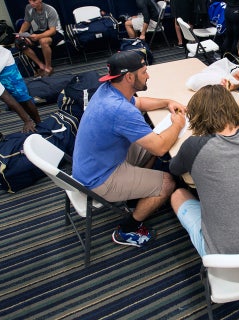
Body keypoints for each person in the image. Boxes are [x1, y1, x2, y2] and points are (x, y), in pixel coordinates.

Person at [72, 50, 186, 248]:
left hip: (96, 163)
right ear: (130, 77)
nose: (148, 75)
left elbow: (139, 102)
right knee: (168, 182)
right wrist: (178, 123)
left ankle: (137, 194)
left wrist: (167, 102)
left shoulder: (110, 90)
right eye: (144, 72)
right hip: (100, 178)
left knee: (149, 141)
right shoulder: (118, 110)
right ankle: (127, 229)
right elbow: (159, 148)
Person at [169, 85, 239, 255]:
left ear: (197, 117)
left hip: (221, 261)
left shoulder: (193, 146)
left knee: (178, 195)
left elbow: (174, 169)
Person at [18, 0, 66, 77]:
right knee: (19, 42)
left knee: (43, 41)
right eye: (30, 0)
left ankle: (48, 67)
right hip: (40, 31)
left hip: (55, 32)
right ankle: (41, 65)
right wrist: (20, 34)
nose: (31, 3)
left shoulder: (50, 10)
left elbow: (52, 31)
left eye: (34, 0)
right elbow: (27, 22)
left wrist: (38, 36)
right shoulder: (28, 8)